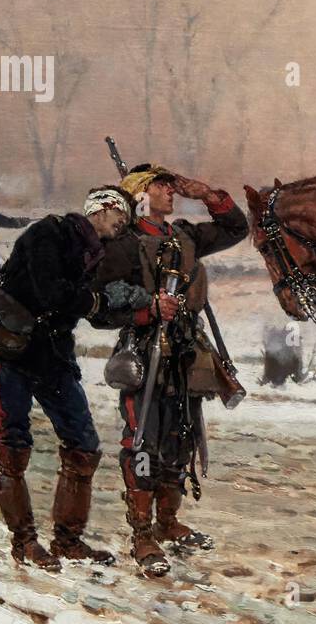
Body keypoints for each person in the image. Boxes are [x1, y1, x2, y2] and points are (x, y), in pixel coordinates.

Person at [0, 187, 150, 570]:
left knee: (83, 446)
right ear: (100, 209)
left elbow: (87, 307)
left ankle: (68, 541)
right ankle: (25, 543)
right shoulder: (47, 234)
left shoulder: (97, 253)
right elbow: (52, 293)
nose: (125, 223)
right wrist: (101, 300)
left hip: (52, 356)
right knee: (12, 447)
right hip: (11, 351)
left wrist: (124, 301)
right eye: (121, 214)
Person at [90, 165, 248, 578]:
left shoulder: (185, 235)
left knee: (182, 437)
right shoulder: (123, 243)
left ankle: (168, 521)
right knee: (143, 438)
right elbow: (102, 300)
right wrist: (147, 306)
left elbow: (236, 228)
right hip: (144, 351)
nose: (169, 191)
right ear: (140, 195)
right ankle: (142, 534)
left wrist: (207, 192)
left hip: (186, 352)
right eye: (160, 185)